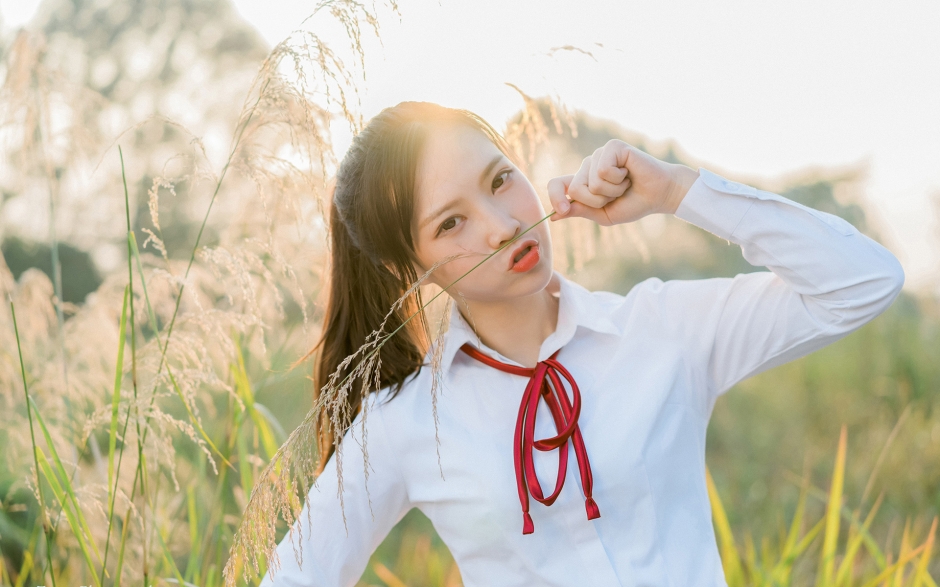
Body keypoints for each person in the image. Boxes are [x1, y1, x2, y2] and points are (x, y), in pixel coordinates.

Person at [259, 101, 904, 586]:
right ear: (413, 264)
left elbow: (862, 282)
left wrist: (677, 191)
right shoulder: (403, 423)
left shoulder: (660, 330)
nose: (502, 224)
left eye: (500, 179)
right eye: (451, 222)